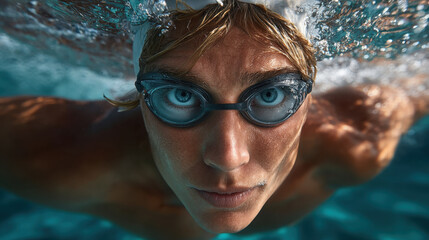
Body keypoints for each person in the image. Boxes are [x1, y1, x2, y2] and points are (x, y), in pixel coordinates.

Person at [0, 1, 428, 239]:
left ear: (308, 101)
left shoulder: (355, 141)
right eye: (180, 96)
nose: (227, 157)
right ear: (139, 99)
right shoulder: (48, 156)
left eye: (270, 95)